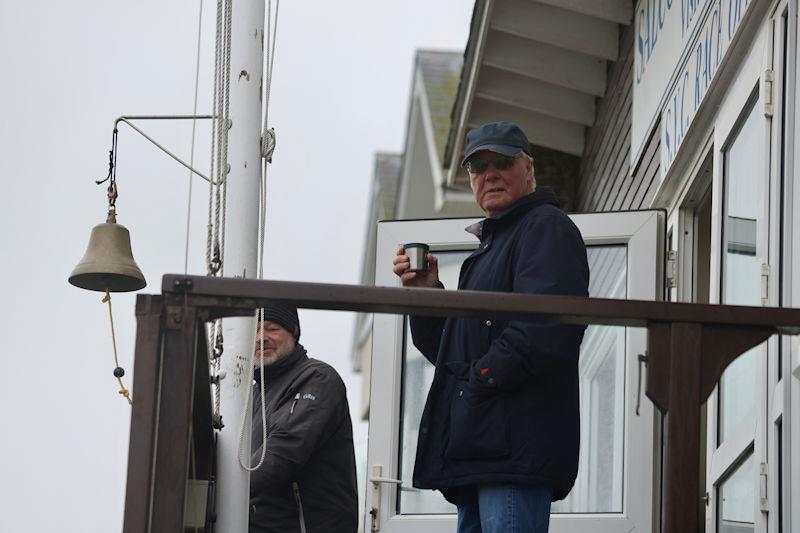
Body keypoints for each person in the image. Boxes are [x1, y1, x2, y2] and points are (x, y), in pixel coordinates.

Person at [392, 121, 589, 533]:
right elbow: (450, 351)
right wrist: (428, 293)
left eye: (502, 161)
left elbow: (543, 329)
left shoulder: (544, 226)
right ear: (470, 180)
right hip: (484, 448)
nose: (490, 173)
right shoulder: (489, 252)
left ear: (528, 169)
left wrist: (476, 382)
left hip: (513, 452)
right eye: (479, 166)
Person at [248, 303, 358, 533]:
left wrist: (224, 490)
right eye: (254, 331)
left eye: (272, 329)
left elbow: (282, 453)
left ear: (295, 332)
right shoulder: (252, 395)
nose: (261, 338)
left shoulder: (318, 379)